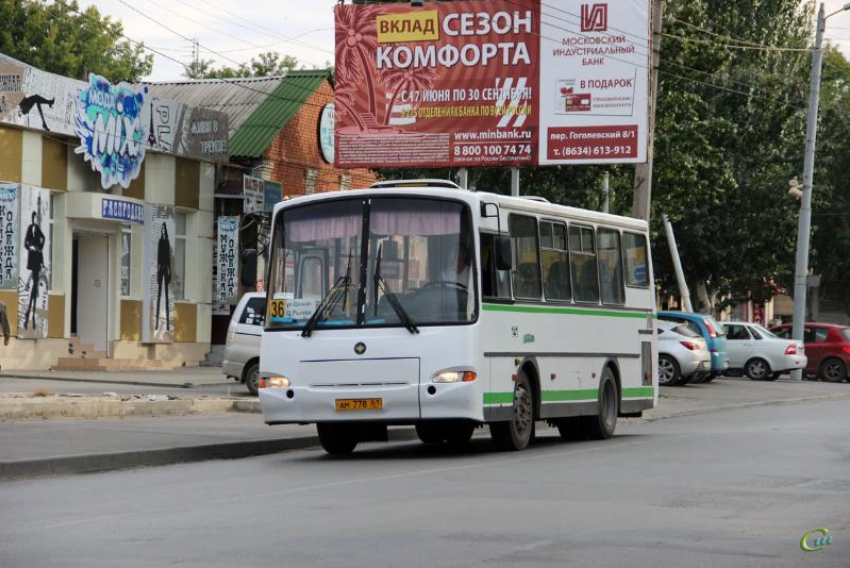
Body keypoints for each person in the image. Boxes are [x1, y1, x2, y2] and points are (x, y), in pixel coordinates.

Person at [24, 205, 45, 331]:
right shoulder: (29, 228)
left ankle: (29, 316)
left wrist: (39, 248)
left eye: (35, 218)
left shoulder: (37, 229)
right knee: (34, 283)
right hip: (31, 258)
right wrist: (30, 247)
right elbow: (26, 242)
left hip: (37, 257)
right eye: (33, 218)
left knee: (35, 283)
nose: (34, 220)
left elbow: (43, 238)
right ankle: (29, 316)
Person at [155, 222, 171, 331]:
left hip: (166, 268)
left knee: (166, 296)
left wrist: (169, 271)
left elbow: (169, 259)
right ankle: (156, 323)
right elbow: (158, 258)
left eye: (165, 231)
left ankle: (168, 324)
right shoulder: (160, 242)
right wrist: (157, 271)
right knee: (159, 295)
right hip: (161, 268)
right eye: (163, 231)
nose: (164, 233)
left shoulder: (167, 242)